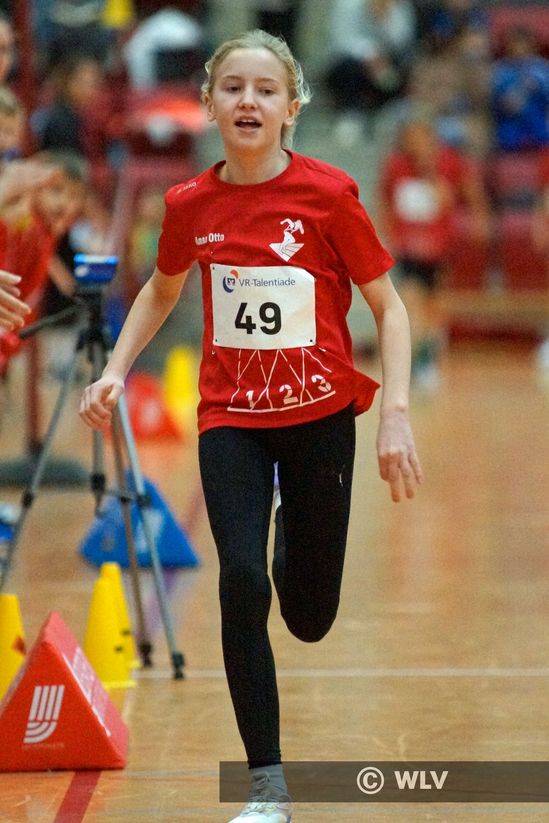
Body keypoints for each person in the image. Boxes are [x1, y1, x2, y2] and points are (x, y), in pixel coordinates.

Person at [79, 29, 423, 823]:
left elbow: (390, 307)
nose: (248, 101)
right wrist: (115, 368)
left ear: (291, 107)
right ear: (208, 103)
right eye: (232, 87)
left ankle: (289, 529)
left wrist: (395, 415)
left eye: (266, 90)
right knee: (239, 579)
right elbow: (162, 289)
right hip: (230, 417)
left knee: (308, 617)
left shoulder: (329, 196)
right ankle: (267, 787)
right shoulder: (189, 204)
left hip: (320, 418)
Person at [378, 117, 490, 388]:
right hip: (408, 249)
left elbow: (469, 192)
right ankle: (416, 360)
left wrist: (479, 218)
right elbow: (385, 200)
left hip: (440, 249)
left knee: (434, 309)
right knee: (411, 303)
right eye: (410, 138)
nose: (415, 143)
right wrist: (384, 234)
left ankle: (428, 356)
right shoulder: (397, 165)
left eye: (421, 137)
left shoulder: (449, 162)